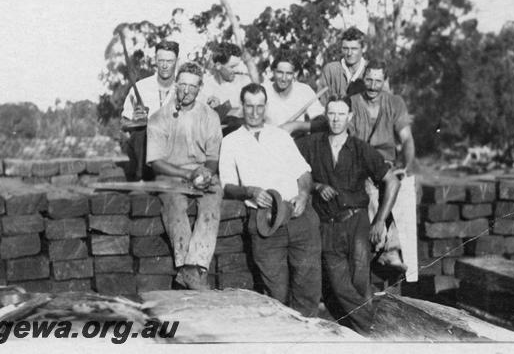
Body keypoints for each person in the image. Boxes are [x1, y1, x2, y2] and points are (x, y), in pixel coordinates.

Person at [296, 97, 400, 335]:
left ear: (350, 117)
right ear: (325, 115)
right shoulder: (311, 144)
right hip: (327, 226)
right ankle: (376, 330)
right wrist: (315, 186)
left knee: (359, 284)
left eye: (341, 114)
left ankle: (361, 338)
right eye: (331, 114)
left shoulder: (360, 148)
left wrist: (380, 220)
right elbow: (287, 164)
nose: (335, 119)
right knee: (339, 285)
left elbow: (392, 181)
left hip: (357, 224)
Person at [218, 83, 322, 317]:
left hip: (298, 214)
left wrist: (304, 195)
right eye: (249, 106)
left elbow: (304, 173)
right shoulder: (231, 141)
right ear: (241, 107)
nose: (255, 112)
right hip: (265, 219)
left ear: (266, 107)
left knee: (307, 288)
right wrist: (250, 192)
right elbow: (227, 186)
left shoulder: (281, 136)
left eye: (259, 106)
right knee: (276, 293)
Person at [146, 62, 223, 290]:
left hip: (200, 173)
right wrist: (186, 173)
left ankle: (194, 268)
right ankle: (188, 270)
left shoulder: (210, 116)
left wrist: (206, 172)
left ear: (200, 88)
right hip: (171, 174)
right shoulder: (159, 118)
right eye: (183, 85)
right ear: (175, 85)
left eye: (193, 86)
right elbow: (156, 163)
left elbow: (212, 155)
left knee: (212, 201)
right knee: (176, 206)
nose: (187, 91)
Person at [348, 58, 415, 268]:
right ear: (363, 79)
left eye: (378, 81)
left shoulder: (395, 103)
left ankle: (392, 248)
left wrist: (407, 165)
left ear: (385, 81)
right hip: (361, 161)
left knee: (402, 186)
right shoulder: (352, 102)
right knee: (369, 188)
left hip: (386, 162)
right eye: (369, 80)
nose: (373, 86)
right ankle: (380, 247)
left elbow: (407, 139)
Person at [122, 40, 180, 181]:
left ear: (177, 61)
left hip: (174, 149)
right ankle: (140, 178)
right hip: (144, 151)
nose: (165, 66)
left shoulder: (183, 88)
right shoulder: (141, 87)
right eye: (161, 61)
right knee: (142, 131)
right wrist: (134, 120)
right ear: (155, 60)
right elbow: (124, 123)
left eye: (170, 61)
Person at [261, 53, 325, 130]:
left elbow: (321, 122)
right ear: (273, 71)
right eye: (280, 72)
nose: (283, 79)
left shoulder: (304, 91)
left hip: (297, 140)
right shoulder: (262, 90)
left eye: (288, 73)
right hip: (268, 139)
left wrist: (296, 125)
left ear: (295, 74)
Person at [199, 42, 251, 118]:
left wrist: (222, 109)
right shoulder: (206, 85)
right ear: (218, 66)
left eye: (238, 66)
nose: (237, 70)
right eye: (232, 67)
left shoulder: (244, 83)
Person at [320, 27, 370, 99]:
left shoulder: (372, 70)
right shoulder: (331, 70)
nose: (349, 53)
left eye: (354, 49)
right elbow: (322, 103)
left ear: (364, 48)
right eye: (345, 48)